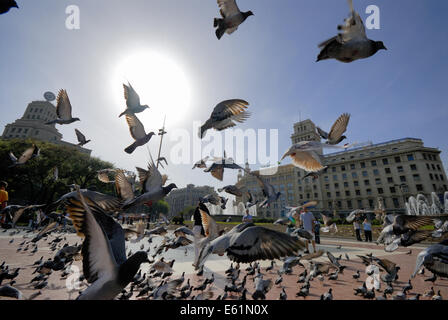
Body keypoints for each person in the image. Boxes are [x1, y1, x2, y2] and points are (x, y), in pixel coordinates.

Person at [192, 202, 206, 266]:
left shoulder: (197, 209)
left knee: (196, 247)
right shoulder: (205, 210)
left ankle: (196, 262)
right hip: (203, 229)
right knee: (202, 247)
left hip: (197, 228)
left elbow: (194, 218)